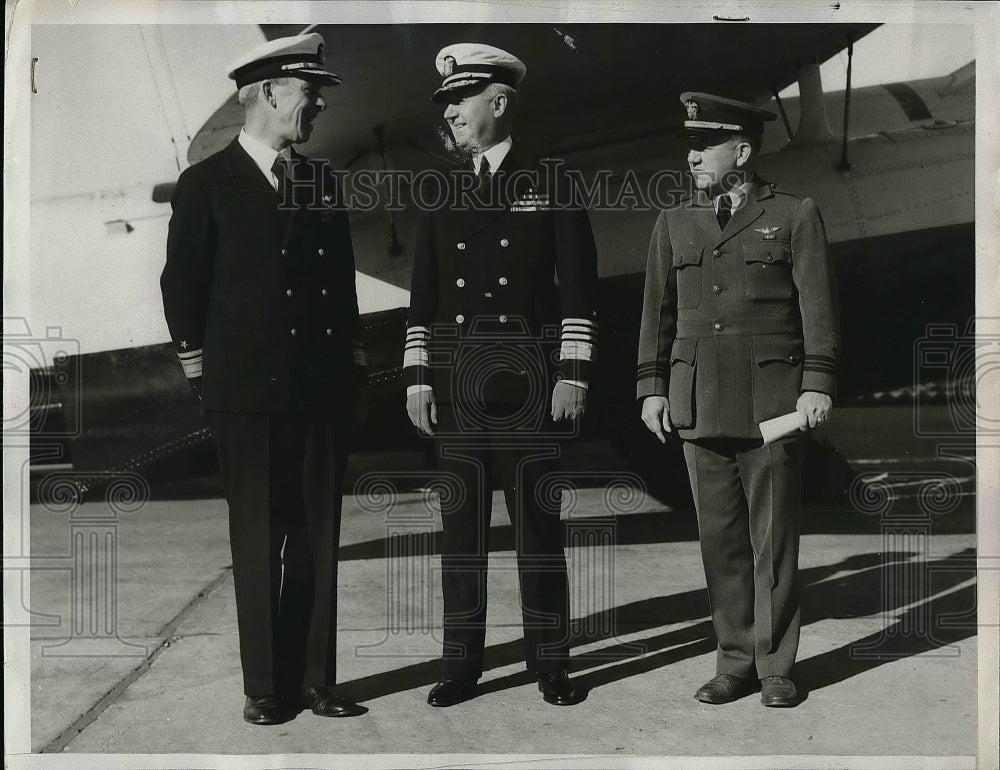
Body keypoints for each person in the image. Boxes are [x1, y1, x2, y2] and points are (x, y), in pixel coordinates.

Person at [160, 33, 368, 725]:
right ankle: (264, 686)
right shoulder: (205, 184)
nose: (315, 109)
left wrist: (351, 373)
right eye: (309, 95)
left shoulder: (319, 180)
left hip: (318, 391)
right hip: (246, 395)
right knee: (257, 540)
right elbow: (182, 288)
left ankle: (315, 679)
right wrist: (202, 372)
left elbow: (340, 290)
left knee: (316, 537)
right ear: (270, 92)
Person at [404, 43, 599, 707]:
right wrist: (417, 379)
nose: (451, 111)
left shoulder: (552, 181)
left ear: (499, 99)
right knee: (461, 536)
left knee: (537, 532)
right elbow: (423, 298)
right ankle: (462, 665)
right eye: (447, 102)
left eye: (461, 98)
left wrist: (573, 372)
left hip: (527, 385)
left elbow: (578, 291)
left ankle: (550, 663)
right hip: (459, 388)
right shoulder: (441, 189)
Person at [636, 92, 839, 707]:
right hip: (698, 403)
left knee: (772, 541)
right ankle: (734, 661)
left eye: (705, 145)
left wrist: (817, 385)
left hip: (773, 403)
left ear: (742, 151)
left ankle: (775, 666)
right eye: (690, 146)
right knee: (718, 541)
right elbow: (657, 316)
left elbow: (817, 309)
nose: (692, 156)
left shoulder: (795, 214)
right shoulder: (673, 222)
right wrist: (651, 388)